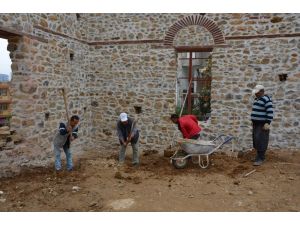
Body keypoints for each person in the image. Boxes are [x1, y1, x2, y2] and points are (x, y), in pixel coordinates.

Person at [251, 85, 274, 166]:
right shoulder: (256, 99)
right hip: (256, 124)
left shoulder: (266, 100)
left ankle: (261, 158)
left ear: (261, 91)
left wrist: (267, 123)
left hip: (263, 124)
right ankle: (259, 156)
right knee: (256, 140)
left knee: (262, 140)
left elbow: (270, 112)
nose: (256, 94)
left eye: (257, 93)